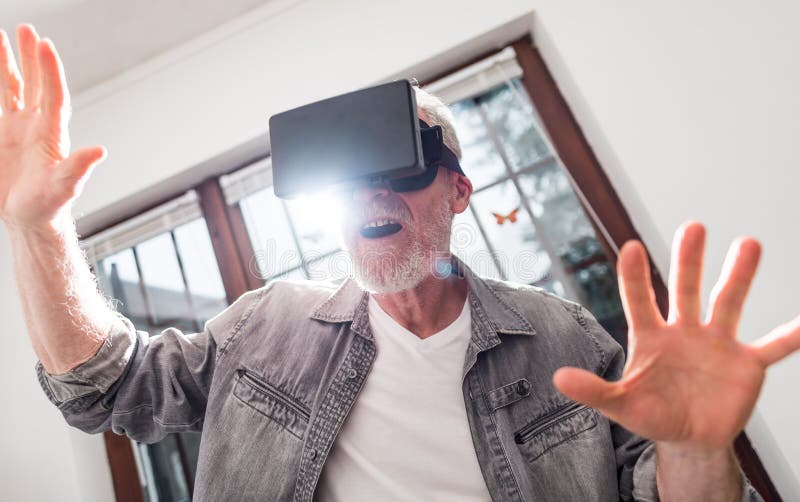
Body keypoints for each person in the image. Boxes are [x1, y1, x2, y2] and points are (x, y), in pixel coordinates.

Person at [2, 23, 799, 502]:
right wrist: (38, 229)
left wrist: (695, 451)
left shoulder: (565, 339)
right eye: (352, 176)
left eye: (401, 166)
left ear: (457, 191)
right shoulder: (264, 327)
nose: (373, 192)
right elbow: (107, 387)